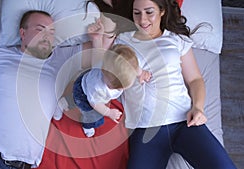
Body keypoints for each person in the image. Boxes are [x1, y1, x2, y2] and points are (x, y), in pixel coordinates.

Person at [0, 10, 96, 169]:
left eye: (52, 32)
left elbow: (100, 52)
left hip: (23, 165)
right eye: (40, 30)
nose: (47, 36)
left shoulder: (61, 59)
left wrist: (98, 35)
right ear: (22, 33)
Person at [101, 0, 237, 168]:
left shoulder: (176, 39)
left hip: (183, 123)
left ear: (162, 11)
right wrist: (99, 40)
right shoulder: (122, 42)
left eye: (149, 12)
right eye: (137, 13)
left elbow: (195, 79)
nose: (143, 20)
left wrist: (198, 108)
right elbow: (106, 77)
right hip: (146, 130)